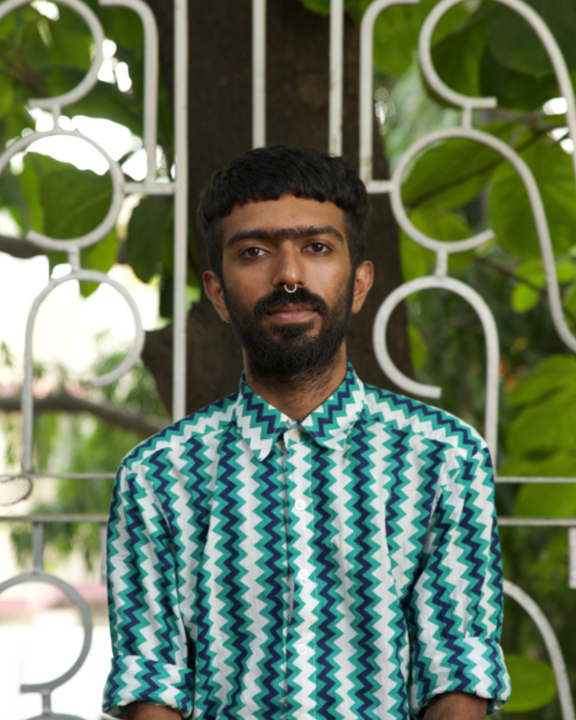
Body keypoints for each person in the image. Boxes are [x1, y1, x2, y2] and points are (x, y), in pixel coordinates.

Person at [103, 145, 511, 720]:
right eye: (254, 252)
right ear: (217, 293)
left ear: (361, 282)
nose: (289, 274)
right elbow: (151, 682)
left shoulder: (443, 459)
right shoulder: (157, 477)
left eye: (316, 248)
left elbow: (458, 669)